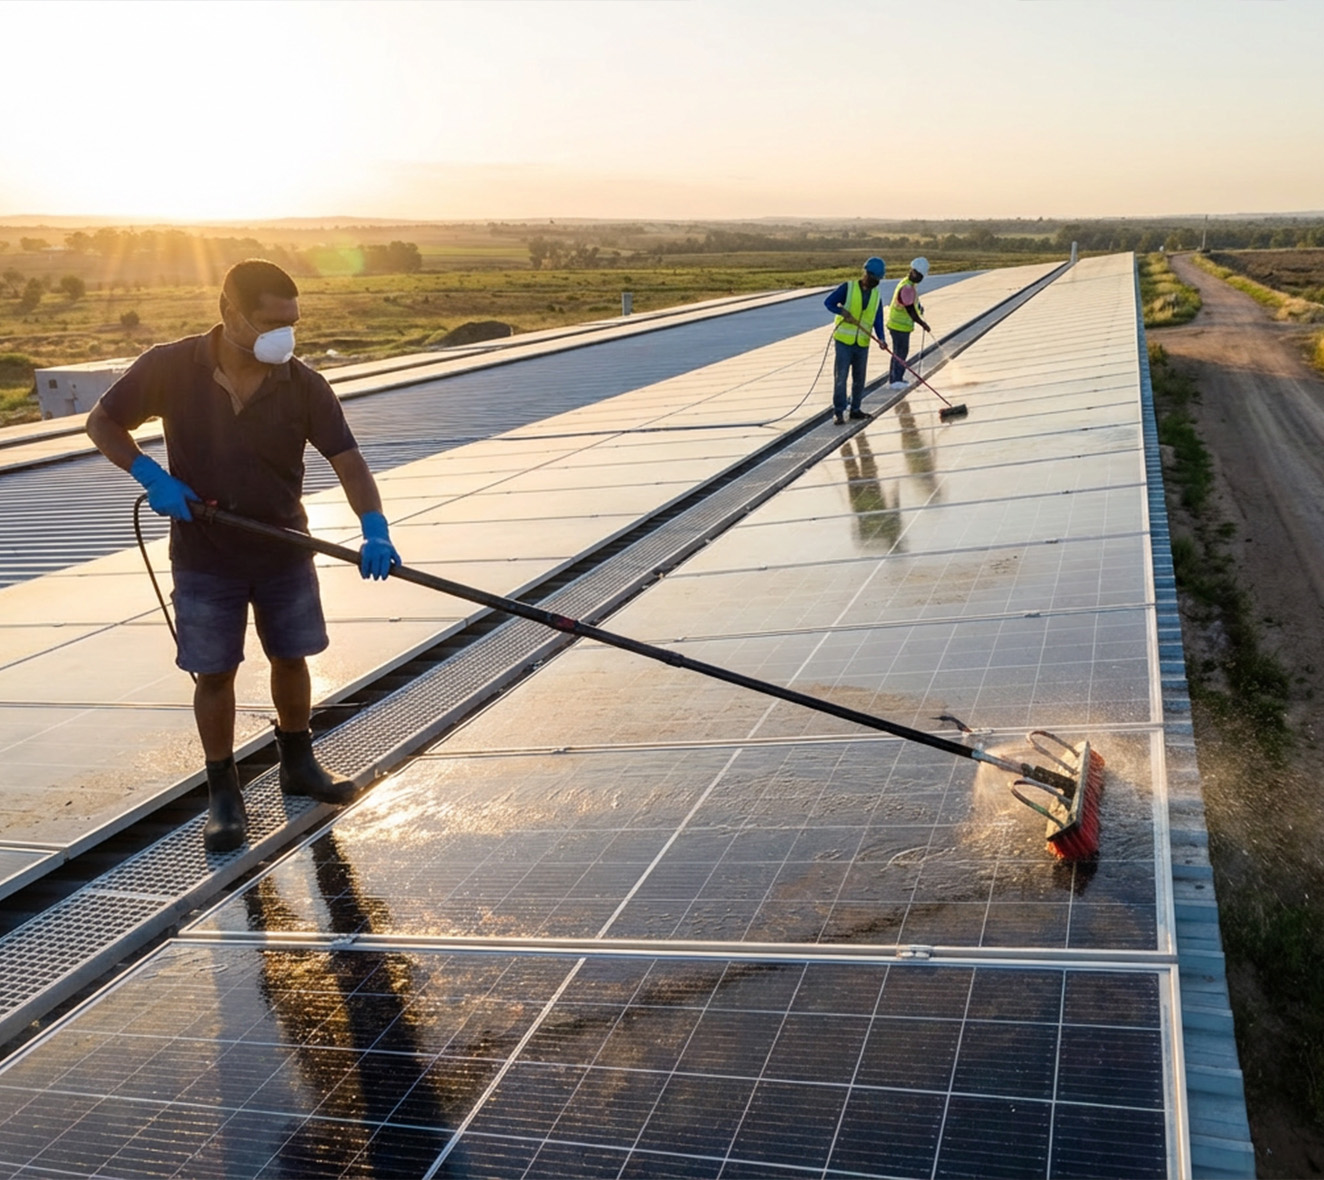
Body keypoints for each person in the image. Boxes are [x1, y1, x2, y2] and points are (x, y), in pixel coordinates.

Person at [85, 259, 402, 853]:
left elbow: (348, 459)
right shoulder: (171, 367)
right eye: (271, 322)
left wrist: (375, 527)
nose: (286, 335)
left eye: (293, 322)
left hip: (284, 548)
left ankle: (298, 762)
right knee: (216, 672)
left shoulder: (302, 382)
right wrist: (150, 473)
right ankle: (224, 790)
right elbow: (102, 421)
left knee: (291, 657)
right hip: (206, 556)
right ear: (229, 313)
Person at [823, 257, 888, 425]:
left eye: (879, 279)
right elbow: (828, 303)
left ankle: (855, 409)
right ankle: (839, 411)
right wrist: (842, 312)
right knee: (841, 377)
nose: (877, 282)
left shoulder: (875, 295)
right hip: (844, 341)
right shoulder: (848, 288)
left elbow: (877, 318)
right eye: (875, 278)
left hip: (862, 343)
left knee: (859, 379)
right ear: (866, 274)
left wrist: (881, 338)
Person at [886, 256, 934, 388]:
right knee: (900, 352)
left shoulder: (908, 284)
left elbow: (912, 304)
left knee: (899, 352)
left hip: (899, 325)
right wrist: (923, 324)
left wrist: (919, 307)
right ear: (913, 271)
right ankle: (895, 380)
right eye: (919, 275)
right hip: (899, 326)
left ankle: (896, 378)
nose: (920, 278)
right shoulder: (907, 287)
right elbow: (910, 310)